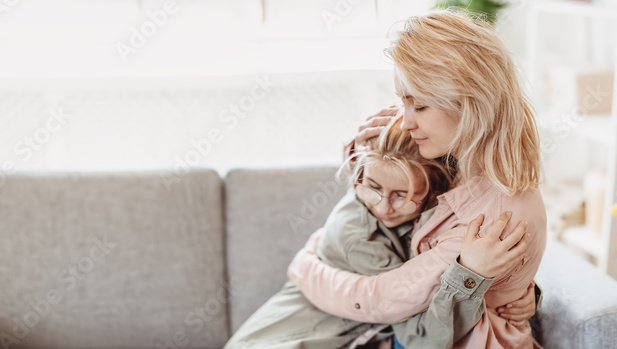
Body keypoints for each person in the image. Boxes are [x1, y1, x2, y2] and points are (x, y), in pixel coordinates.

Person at [287, 9, 547, 348]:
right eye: (403, 102)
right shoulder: (459, 154)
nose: (405, 121)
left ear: (472, 105)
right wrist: (365, 152)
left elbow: (383, 299)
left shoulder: (490, 218)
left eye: (419, 106)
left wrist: (306, 267)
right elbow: (391, 197)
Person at [225, 117, 534, 349]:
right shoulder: (358, 239)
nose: (384, 207)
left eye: (401, 194)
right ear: (359, 176)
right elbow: (422, 338)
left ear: (434, 189)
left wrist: (511, 294)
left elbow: (435, 276)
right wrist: (473, 275)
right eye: (372, 188)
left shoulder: (433, 217)